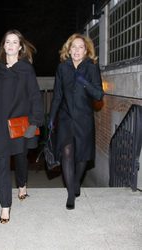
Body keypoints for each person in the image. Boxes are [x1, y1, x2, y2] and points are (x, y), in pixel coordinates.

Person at [0, 29, 43, 223]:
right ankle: (5, 207)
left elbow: (34, 96)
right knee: (2, 165)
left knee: (21, 159)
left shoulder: (25, 69)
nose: (11, 45)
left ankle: (22, 184)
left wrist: (35, 121)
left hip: (20, 124)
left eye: (15, 42)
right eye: (7, 42)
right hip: (0, 125)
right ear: (3, 46)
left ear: (20, 46)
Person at [49, 33, 104, 210]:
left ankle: (76, 182)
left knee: (82, 157)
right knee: (67, 152)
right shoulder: (62, 68)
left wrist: (83, 81)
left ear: (86, 50)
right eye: (74, 47)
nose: (77, 50)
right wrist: (51, 119)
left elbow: (98, 95)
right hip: (65, 117)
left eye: (81, 47)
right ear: (68, 49)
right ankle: (71, 193)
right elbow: (57, 96)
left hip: (84, 118)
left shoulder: (91, 67)